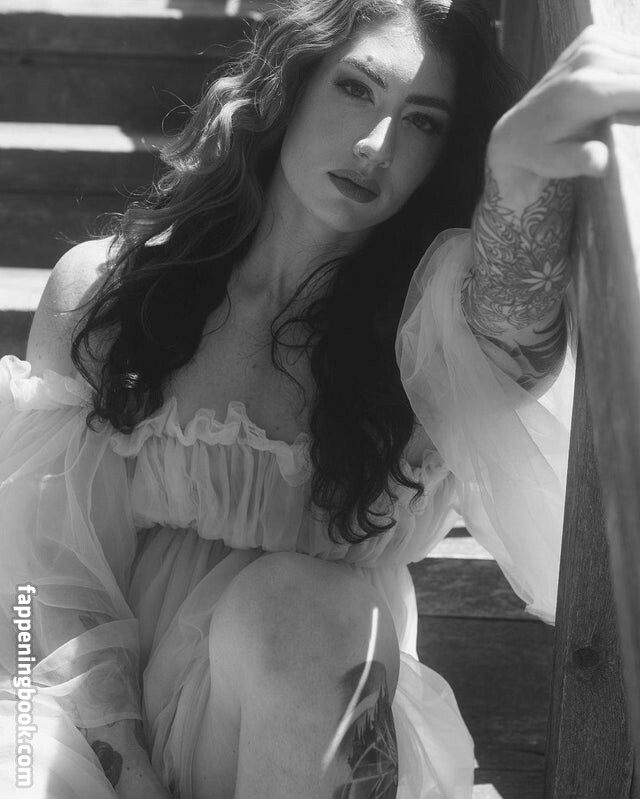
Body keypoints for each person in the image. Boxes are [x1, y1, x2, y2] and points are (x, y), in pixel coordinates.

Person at [0, 0, 638, 796]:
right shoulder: (107, 291)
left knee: (307, 607)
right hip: (96, 716)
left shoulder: (427, 322)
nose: (377, 145)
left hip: (306, 705)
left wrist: (518, 169)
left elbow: (517, 340)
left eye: (424, 123)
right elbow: (48, 579)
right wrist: (127, 778)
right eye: (356, 88)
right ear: (290, 85)